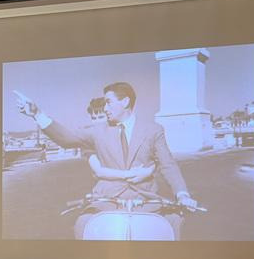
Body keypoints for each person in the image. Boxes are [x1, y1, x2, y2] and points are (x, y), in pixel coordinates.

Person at [15, 82, 197, 239]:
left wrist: (182, 194)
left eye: (109, 102)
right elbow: (66, 138)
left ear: (125, 102)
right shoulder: (97, 131)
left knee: (175, 224)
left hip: (146, 201)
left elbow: (168, 164)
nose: (105, 108)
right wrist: (37, 113)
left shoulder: (153, 130)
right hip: (106, 201)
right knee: (83, 224)